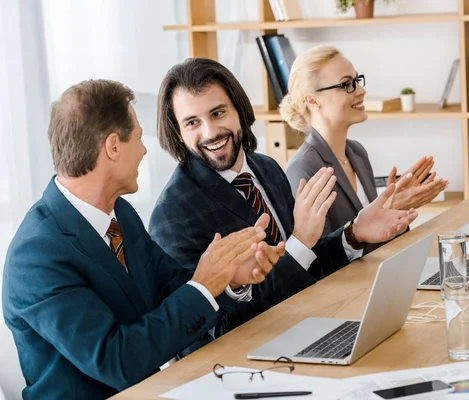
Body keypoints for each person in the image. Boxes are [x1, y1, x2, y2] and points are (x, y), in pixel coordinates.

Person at [2, 79, 283, 399]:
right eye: (138, 137)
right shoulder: (36, 256)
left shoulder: (121, 214)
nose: (145, 148)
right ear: (113, 146)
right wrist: (205, 284)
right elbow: (119, 361)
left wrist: (230, 277)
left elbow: (175, 287)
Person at [149, 58, 418, 335]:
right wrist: (300, 241)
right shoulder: (172, 214)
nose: (210, 132)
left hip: (310, 325)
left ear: (239, 111)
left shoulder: (265, 168)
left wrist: (354, 233)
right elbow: (212, 332)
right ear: (178, 134)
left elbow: (303, 262)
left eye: (218, 113)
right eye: (192, 122)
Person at [282, 45, 449, 238]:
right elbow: (316, 260)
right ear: (312, 100)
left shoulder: (356, 153)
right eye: (346, 84)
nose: (361, 91)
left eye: (357, 81)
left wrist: (393, 211)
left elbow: (374, 242)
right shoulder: (303, 168)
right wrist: (387, 208)